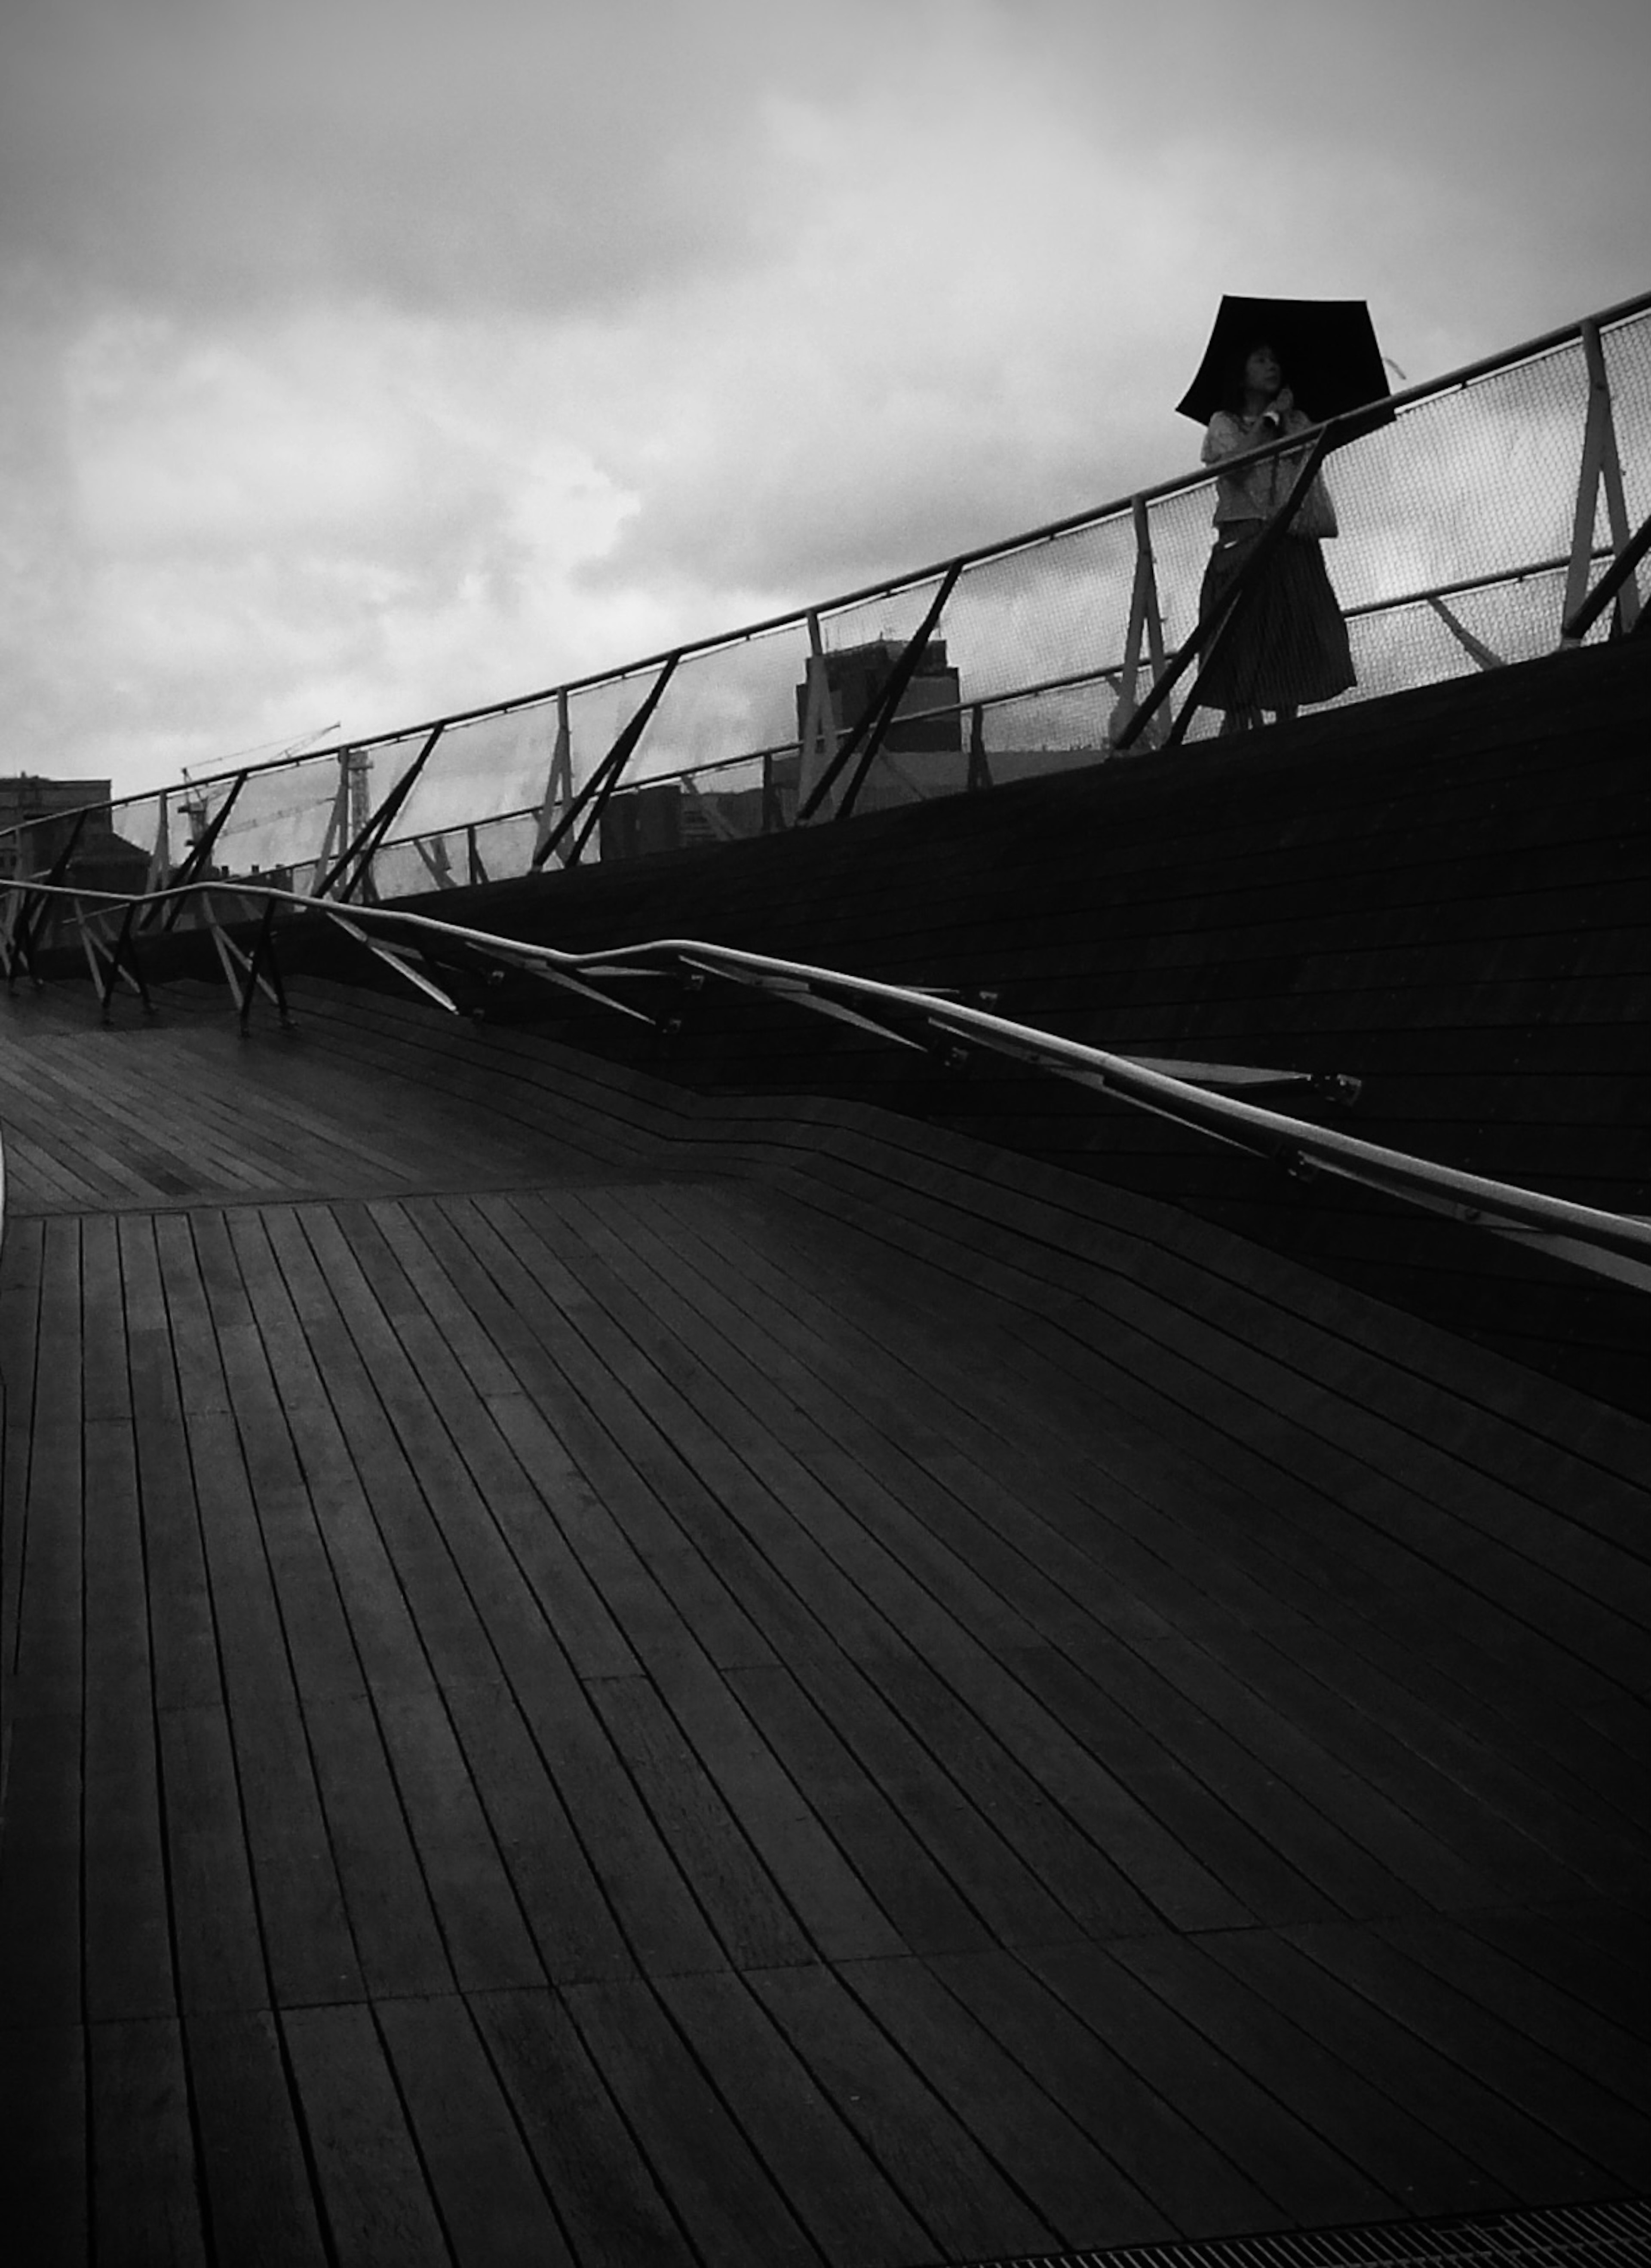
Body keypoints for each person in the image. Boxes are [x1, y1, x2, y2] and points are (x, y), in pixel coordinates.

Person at [1196, 342, 1356, 734]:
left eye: (1275, 361)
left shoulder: (1298, 420)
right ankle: (1239, 727)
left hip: (1289, 536)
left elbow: (1311, 460)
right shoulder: (1224, 422)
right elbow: (1236, 467)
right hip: (1244, 538)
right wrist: (1268, 420)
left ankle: (1287, 730)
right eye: (1261, 360)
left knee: (1293, 636)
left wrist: (1290, 421)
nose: (1272, 367)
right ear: (1242, 373)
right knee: (1242, 639)